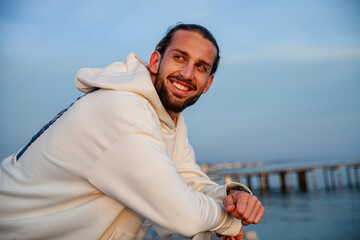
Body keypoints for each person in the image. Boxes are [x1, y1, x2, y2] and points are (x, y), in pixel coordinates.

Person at [0, 23, 264, 240]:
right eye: (179, 57)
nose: (186, 73)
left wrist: (233, 196)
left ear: (208, 84)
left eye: (200, 67)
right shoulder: (123, 110)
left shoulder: (168, 118)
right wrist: (229, 223)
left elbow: (186, 177)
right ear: (155, 61)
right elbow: (181, 213)